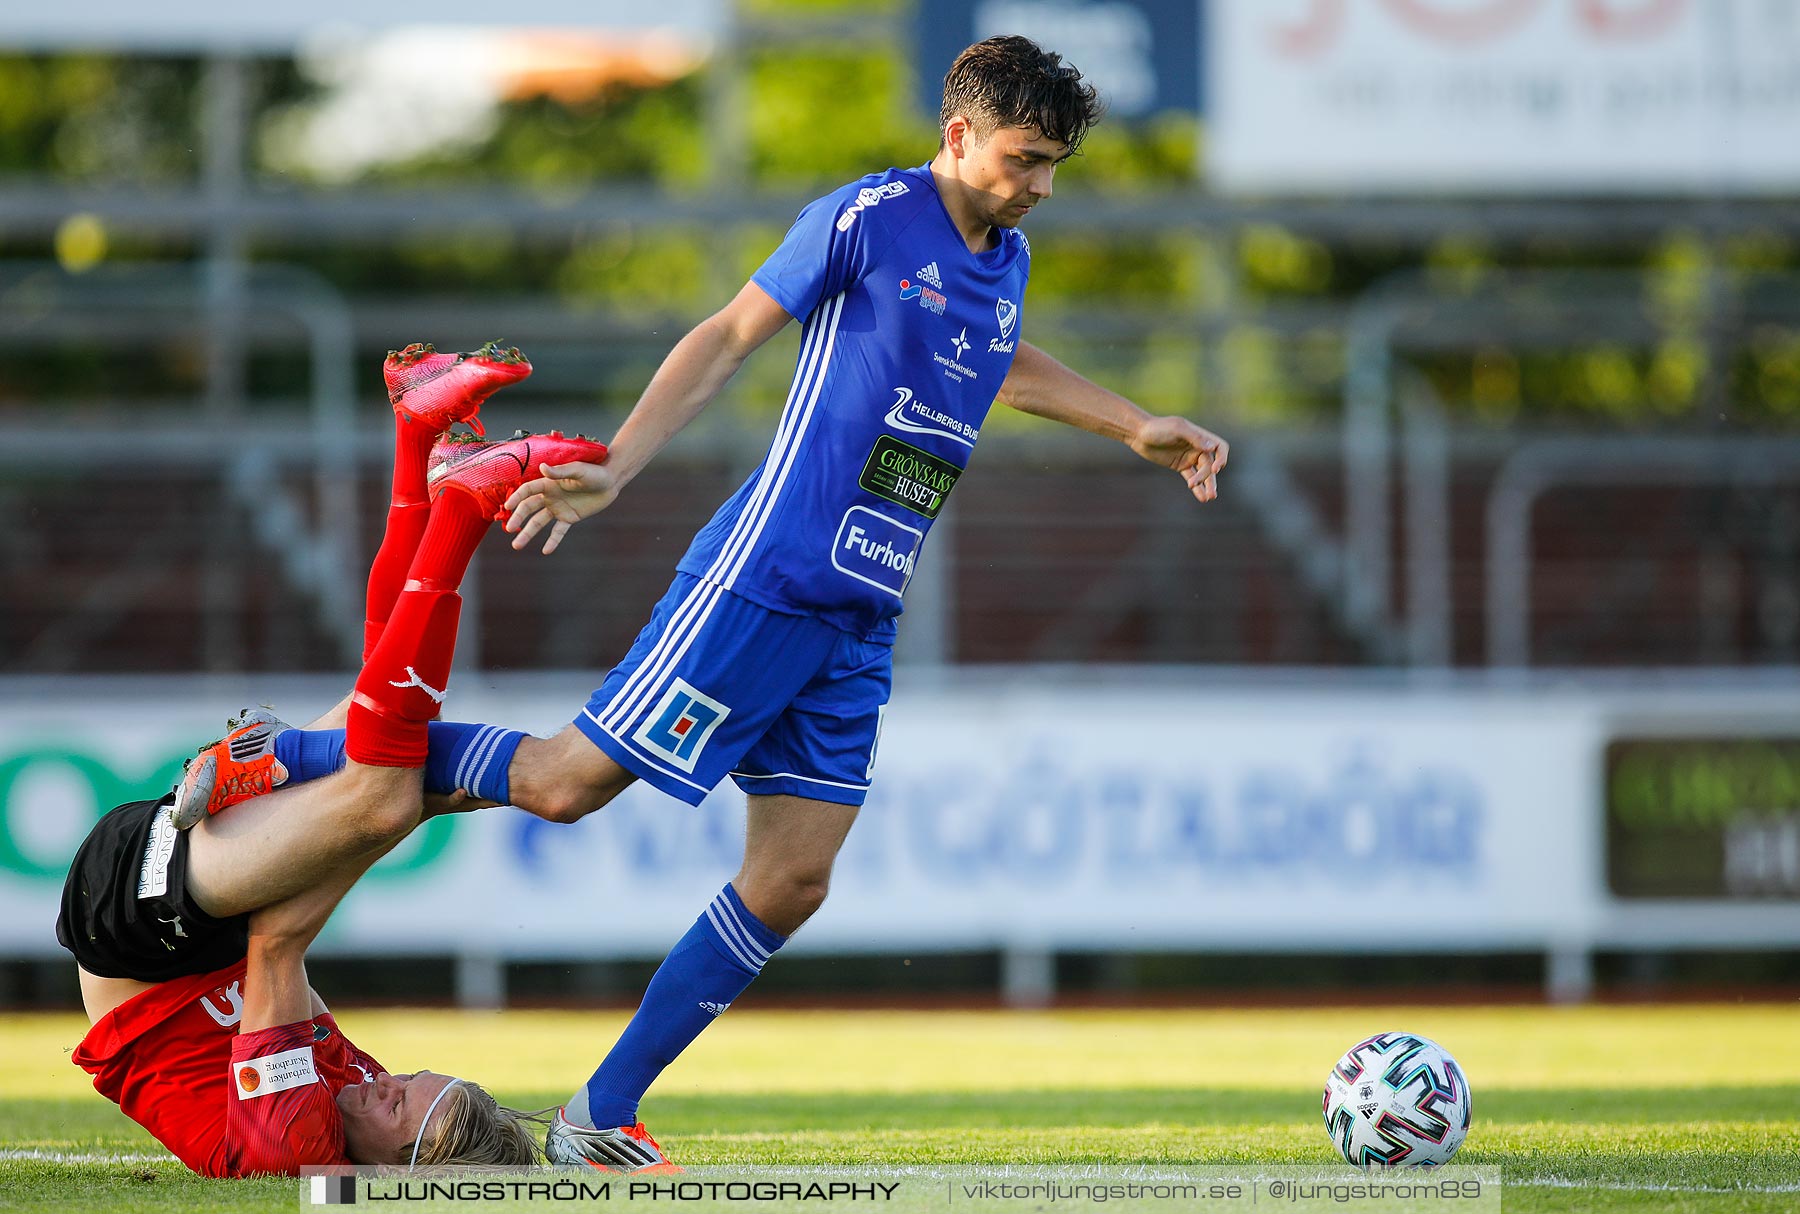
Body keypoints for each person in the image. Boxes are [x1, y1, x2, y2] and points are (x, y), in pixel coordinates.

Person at [175, 36, 1229, 1172]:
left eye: (1057, 165)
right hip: (766, 576)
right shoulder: (865, 217)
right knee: (566, 782)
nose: (1043, 186)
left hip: (862, 608)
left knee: (792, 877)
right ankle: (286, 751)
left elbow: (996, 360)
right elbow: (728, 333)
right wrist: (617, 467)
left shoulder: (1005, 255)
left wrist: (1136, 424)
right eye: (1028, 158)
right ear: (959, 132)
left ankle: (598, 1114)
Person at [59, 343, 607, 1176]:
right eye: (411, 1079)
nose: (386, 1082)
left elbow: (278, 944)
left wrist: (392, 816)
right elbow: (286, 956)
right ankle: (420, 430)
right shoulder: (359, 1096)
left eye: (399, 1105)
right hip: (206, 915)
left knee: (383, 795)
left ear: (397, 1168)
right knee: (380, 716)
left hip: (139, 929)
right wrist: (385, 804)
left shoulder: (298, 1146)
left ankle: (461, 509)